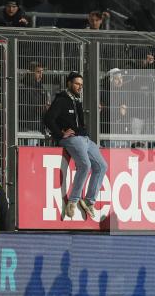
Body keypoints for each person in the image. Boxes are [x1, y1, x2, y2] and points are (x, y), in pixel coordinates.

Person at [43, 72, 108, 220]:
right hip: (72, 139)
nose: (80, 87)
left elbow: (80, 123)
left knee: (102, 166)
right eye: (77, 84)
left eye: (81, 85)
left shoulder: (77, 100)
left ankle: (89, 201)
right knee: (85, 165)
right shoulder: (61, 100)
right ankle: (73, 201)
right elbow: (48, 118)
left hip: (84, 138)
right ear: (69, 83)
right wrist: (60, 134)